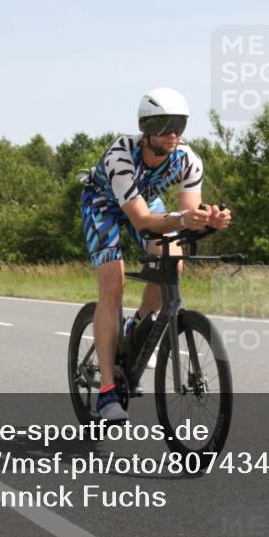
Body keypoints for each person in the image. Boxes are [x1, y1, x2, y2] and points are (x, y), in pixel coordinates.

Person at [81, 87, 231, 421]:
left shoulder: (188, 159)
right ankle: (107, 391)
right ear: (146, 128)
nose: (173, 133)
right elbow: (142, 220)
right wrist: (181, 219)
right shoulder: (120, 154)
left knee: (172, 265)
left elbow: (188, 212)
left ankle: (137, 325)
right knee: (113, 283)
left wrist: (209, 219)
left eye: (179, 124)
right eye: (164, 125)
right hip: (104, 206)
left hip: (147, 203)